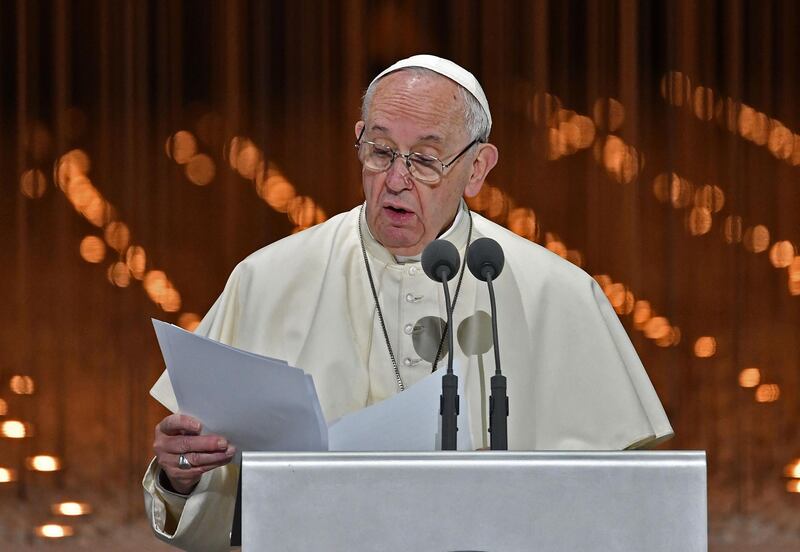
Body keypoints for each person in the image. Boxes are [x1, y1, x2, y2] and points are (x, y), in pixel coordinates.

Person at [143, 54, 673, 550]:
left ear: (478, 168)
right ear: (358, 142)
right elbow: (213, 512)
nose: (396, 180)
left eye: (425, 159)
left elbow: (618, 506)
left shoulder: (557, 293)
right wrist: (179, 476)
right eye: (380, 151)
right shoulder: (266, 279)